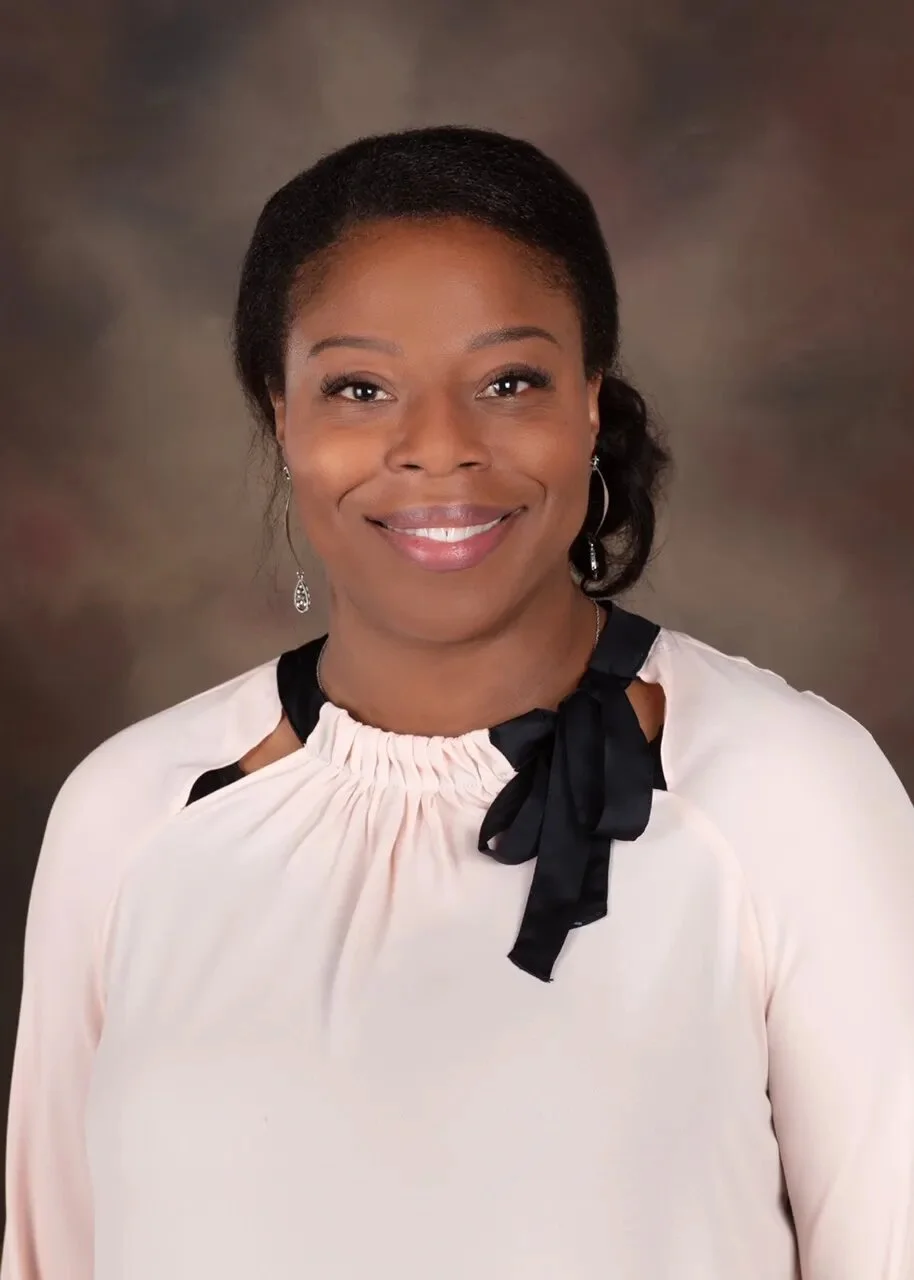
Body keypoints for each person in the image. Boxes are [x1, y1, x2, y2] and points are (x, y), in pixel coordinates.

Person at [2, 125, 913, 1280]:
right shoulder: (127, 815)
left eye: (508, 381)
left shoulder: (786, 791)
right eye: (359, 387)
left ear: (589, 403)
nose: (437, 447)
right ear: (282, 415)